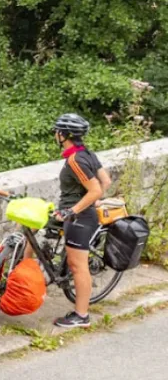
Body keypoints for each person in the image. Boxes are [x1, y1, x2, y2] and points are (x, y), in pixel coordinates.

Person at [51, 114, 112, 329]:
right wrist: (92, 202)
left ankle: (81, 315)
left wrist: (73, 210)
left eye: (57, 131)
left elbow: (95, 189)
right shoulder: (87, 153)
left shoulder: (75, 159)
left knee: (78, 266)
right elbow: (105, 181)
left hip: (79, 219)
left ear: (64, 134)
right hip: (83, 214)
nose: (55, 134)